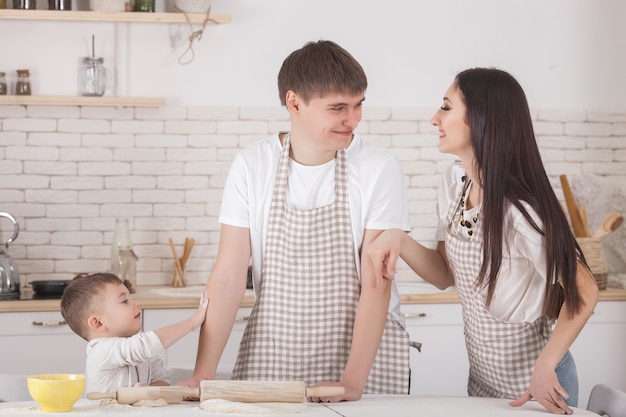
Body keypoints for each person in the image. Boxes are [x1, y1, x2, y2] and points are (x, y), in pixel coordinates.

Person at [185, 40, 412, 401]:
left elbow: (376, 283)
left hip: (363, 355)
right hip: (274, 347)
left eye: (358, 106)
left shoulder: (379, 167)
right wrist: (202, 374)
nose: (352, 120)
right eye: (338, 108)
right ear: (294, 103)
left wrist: (351, 382)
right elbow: (228, 277)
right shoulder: (252, 165)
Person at [367, 68, 599, 414]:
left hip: (538, 385)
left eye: (446, 108)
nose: (434, 119)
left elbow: (586, 289)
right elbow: (445, 274)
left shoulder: (519, 213)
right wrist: (397, 237)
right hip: (482, 381)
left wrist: (546, 365)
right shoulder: (455, 183)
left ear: (480, 118)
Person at [60, 273, 209, 393]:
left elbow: (161, 377)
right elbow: (144, 345)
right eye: (125, 301)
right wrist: (192, 322)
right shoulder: (100, 351)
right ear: (98, 323)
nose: (136, 303)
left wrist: (153, 390)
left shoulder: (141, 351)